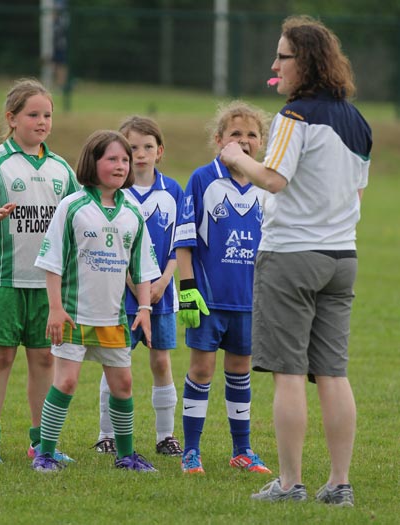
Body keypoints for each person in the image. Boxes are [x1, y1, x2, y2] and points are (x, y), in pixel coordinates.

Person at [220, 15, 372, 506]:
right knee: (332, 372)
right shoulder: (359, 121)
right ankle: (340, 485)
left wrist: (235, 154)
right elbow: (358, 195)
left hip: (291, 257)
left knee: (288, 373)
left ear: (304, 62)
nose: (275, 64)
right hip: (341, 257)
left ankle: (288, 484)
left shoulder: (294, 117)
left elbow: (272, 179)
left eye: (283, 56)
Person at [0, 78, 80, 464]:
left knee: (44, 359)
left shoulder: (62, 169)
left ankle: (42, 443)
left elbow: (79, 214)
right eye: (33, 114)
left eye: (47, 115)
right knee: (1, 358)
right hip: (2, 280)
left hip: (48, 286)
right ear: (12, 119)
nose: (42, 121)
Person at [32, 130, 162, 472]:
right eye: (112, 159)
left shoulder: (132, 211)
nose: (121, 166)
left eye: (125, 160)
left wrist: (145, 308)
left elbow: (142, 267)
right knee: (67, 381)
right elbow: (52, 262)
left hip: (114, 317)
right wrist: (56, 309)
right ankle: (44, 453)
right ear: (93, 162)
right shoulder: (72, 206)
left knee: (124, 383)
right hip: (74, 314)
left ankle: (126, 455)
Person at [173, 100, 272, 475]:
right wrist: (187, 289)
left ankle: (242, 450)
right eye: (235, 134)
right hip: (208, 299)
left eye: (251, 135)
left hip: (251, 300)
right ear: (219, 140)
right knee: (201, 370)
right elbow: (184, 241)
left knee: (240, 371)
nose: (243, 141)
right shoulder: (203, 179)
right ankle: (191, 451)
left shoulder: (267, 183)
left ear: (261, 143)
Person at [93, 116, 184, 457]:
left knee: (161, 362)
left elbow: (180, 244)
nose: (141, 154)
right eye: (132, 148)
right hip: (121, 295)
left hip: (162, 294)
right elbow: (113, 243)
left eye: (148, 147)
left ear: (160, 151)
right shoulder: (118, 193)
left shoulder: (174, 190)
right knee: (116, 362)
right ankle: (107, 435)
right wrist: (136, 283)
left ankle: (165, 436)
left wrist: (162, 280)